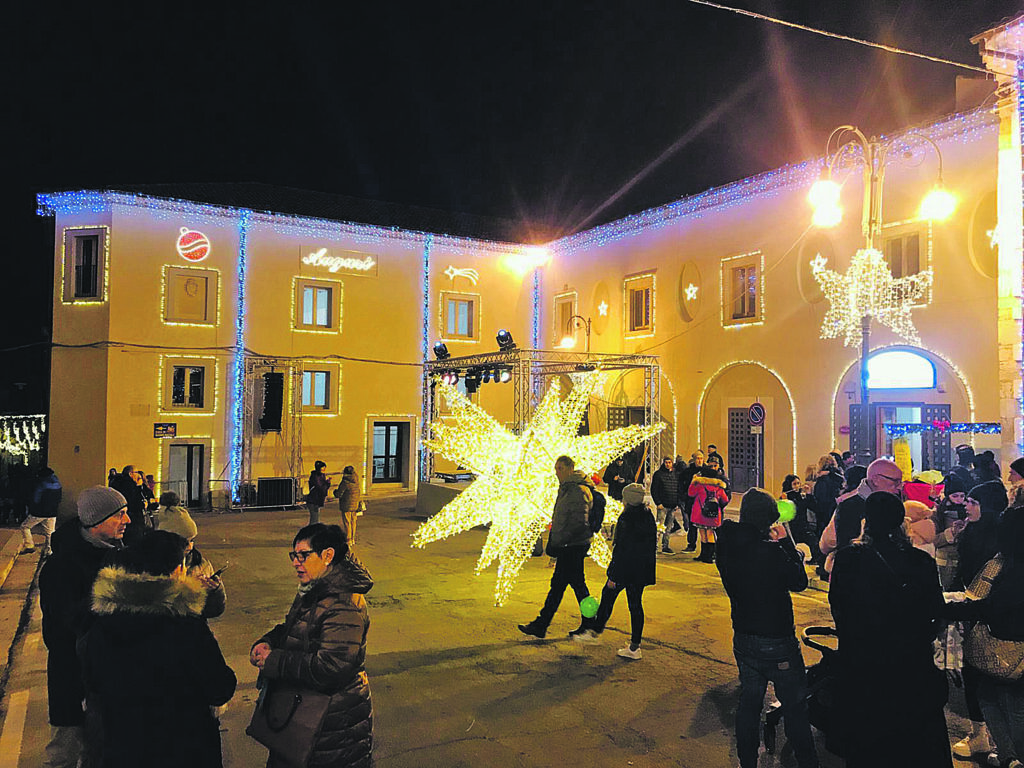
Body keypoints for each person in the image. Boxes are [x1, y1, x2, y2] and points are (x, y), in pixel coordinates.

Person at [78, 531, 236, 768]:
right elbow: (220, 688)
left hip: (124, 748)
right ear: (174, 571)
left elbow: (92, 682)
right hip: (184, 749)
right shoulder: (186, 627)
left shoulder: (103, 623)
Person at [828, 491, 951, 768]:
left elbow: (838, 609)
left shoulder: (848, 560)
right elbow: (936, 612)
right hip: (911, 670)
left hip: (863, 670)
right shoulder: (921, 562)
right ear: (900, 523)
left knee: (869, 749)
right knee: (914, 749)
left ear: (867, 522)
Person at [250, 523, 373, 768]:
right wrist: (267, 643)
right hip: (309, 716)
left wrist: (274, 661)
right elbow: (294, 628)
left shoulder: (344, 604)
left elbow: (331, 667)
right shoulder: (314, 589)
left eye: (303, 555)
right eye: (293, 556)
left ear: (328, 556)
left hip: (332, 724)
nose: (296, 562)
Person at [716, 488, 818, 768]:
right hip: (777, 638)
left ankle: (747, 760)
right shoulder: (770, 551)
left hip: (744, 634)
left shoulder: (726, 544)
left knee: (750, 702)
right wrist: (787, 545)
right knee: (795, 706)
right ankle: (808, 761)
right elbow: (798, 581)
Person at [39, 486, 131, 768]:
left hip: (113, 680)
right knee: (66, 753)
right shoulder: (60, 567)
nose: (128, 521)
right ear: (95, 522)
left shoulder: (120, 556)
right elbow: (63, 628)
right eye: (120, 515)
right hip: (74, 676)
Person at [945, 511, 1024, 768]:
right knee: (994, 698)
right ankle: (1008, 755)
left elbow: (990, 606)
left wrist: (948, 610)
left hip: (1009, 648)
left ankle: (1014, 756)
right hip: (1010, 647)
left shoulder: (1010, 565)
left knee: (1006, 703)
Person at [948, 480, 1008, 764]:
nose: (965, 506)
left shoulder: (1001, 538)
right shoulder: (973, 531)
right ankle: (983, 735)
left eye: (972, 502)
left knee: (988, 674)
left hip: (991, 615)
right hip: (974, 611)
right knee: (976, 674)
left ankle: (993, 738)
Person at [519, 455, 595, 639]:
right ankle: (587, 623)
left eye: (560, 468)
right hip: (569, 544)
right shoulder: (567, 488)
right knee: (571, 585)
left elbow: (579, 521)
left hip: (573, 546)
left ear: (570, 469)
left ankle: (544, 624)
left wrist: (564, 540)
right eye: (555, 468)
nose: (556, 472)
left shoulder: (577, 490)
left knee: (565, 586)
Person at [577, 483, 656, 658]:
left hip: (626, 570)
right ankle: (635, 646)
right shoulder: (647, 516)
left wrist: (614, 575)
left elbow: (623, 550)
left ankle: (596, 632)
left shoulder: (627, 519)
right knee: (635, 605)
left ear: (628, 499)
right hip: (641, 570)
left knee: (608, 595)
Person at [818, 457, 903, 576]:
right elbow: (847, 548)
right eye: (895, 481)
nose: (900, 487)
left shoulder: (895, 504)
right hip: (860, 576)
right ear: (876, 480)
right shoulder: (849, 507)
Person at [155, 496, 226, 618]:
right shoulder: (152, 566)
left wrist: (215, 591)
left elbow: (215, 610)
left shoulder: (200, 564)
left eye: (192, 540)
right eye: (184, 541)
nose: (190, 545)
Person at [688, 464, 728, 563]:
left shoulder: (700, 485)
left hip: (700, 514)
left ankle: (704, 554)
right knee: (710, 533)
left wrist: (693, 481)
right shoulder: (719, 487)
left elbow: (690, 493)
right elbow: (725, 500)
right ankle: (710, 556)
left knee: (703, 534)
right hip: (714, 514)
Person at [933, 473, 967, 589]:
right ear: (948, 496)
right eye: (955, 496)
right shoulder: (938, 513)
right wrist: (951, 532)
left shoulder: (969, 512)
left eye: (962, 496)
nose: (959, 500)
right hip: (945, 562)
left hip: (964, 560)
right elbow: (933, 540)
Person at [20, 466, 62, 555]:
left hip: (39, 512)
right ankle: (49, 551)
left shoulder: (41, 485)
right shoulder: (58, 484)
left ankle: (29, 545)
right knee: (50, 532)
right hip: (53, 512)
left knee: (25, 526)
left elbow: (36, 499)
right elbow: (59, 499)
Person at [781, 474, 820, 565]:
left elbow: (814, 507)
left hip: (803, 526)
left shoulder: (802, 496)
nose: (797, 486)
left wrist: (809, 495)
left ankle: (816, 559)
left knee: (813, 542)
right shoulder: (786, 497)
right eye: (794, 484)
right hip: (791, 528)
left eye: (798, 483)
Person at [110, 465, 147, 544]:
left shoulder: (116, 482)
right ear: (131, 474)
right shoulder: (130, 485)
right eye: (137, 472)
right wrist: (143, 505)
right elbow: (134, 502)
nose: (138, 475)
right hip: (133, 521)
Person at [677, 450, 705, 553]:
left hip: (703, 502)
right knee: (692, 523)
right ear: (694, 460)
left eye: (701, 458)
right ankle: (691, 544)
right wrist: (684, 496)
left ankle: (707, 547)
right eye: (698, 458)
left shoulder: (706, 471)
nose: (700, 460)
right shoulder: (687, 472)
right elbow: (681, 485)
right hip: (691, 501)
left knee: (705, 525)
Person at [651, 456, 679, 554]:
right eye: (666, 462)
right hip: (662, 505)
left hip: (672, 505)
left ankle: (665, 546)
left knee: (669, 527)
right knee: (659, 526)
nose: (668, 464)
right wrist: (658, 503)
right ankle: (654, 545)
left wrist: (677, 503)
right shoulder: (658, 474)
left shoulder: (676, 474)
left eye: (669, 462)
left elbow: (678, 488)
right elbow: (654, 489)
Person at [335, 465, 362, 545]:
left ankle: (348, 539)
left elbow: (339, 494)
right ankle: (353, 538)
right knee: (353, 521)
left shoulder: (345, 482)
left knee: (347, 522)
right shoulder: (356, 480)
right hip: (355, 504)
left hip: (346, 504)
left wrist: (335, 492)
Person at [307, 460, 332, 525]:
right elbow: (320, 486)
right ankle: (312, 530)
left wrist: (327, 482)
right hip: (314, 499)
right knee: (314, 518)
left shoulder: (321, 475)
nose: (324, 469)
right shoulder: (315, 476)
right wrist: (327, 483)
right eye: (323, 467)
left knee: (315, 516)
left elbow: (323, 486)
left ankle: (313, 529)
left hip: (317, 499)